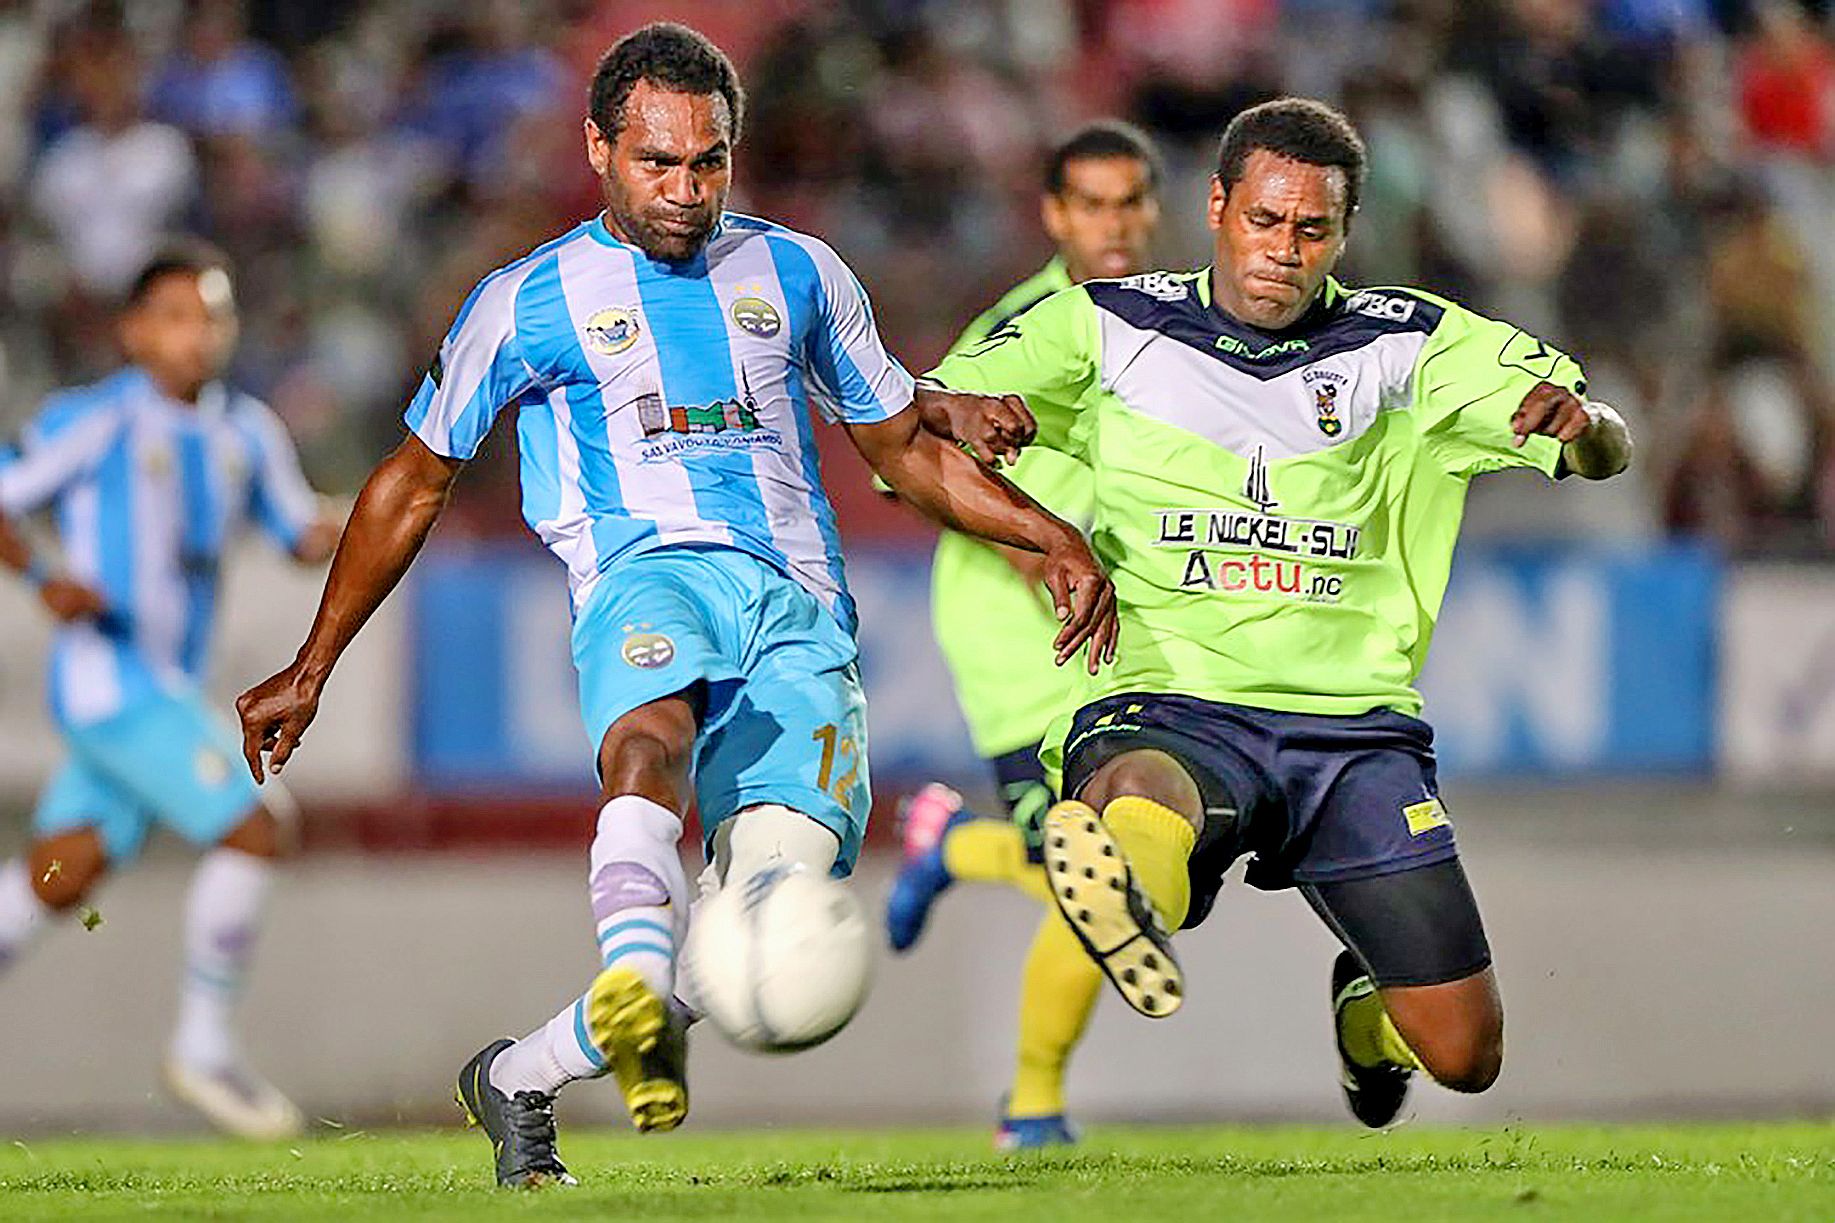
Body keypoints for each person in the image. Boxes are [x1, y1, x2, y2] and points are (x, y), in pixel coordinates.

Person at [233, 23, 1114, 1189]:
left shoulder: (800, 273)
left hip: (797, 611)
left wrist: (1046, 533)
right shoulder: (526, 300)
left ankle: (522, 1074)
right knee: (646, 744)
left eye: (707, 162)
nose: (684, 190)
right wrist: (314, 659)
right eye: (657, 162)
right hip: (642, 573)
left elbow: (904, 449)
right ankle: (635, 975)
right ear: (597, 147)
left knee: (774, 924)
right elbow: (413, 479)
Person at [917, 97, 1631, 1127]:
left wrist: (1588, 425)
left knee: (1465, 1054)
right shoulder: (1106, 320)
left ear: (1341, 233)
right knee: (1140, 796)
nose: (1280, 252)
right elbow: (914, 419)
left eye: (1309, 230)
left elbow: (1595, 444)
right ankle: (1114, 884)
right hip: (1171, 695)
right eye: (1262, 220)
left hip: (1351, 732)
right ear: (1216, 206)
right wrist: (1020, 506)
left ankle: (1360, 1012)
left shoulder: (1412, 342)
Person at [0, 242, 339, 1138]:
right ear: (135, 331)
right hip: (114, 684)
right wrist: (42, 576)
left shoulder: (245, 433)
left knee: (58, 876)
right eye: (179, 317)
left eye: (215, 317)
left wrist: (367, 520)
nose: (200, 337)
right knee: (259, 824)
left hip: (165, 684)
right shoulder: (98, 418)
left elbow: (297, 531)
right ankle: (203, 1046)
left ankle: (201, 1043)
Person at [882, 119, 1161, 1150]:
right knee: (1101, 874)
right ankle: (1031, 1103)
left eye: (1128, 200)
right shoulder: (1015, 329)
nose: (1113, 222)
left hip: (1117, 635)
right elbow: (903, 459)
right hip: (1017, 639)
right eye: (1089, 203)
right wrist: (1032, 558)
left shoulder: (1163, 322)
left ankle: (953, 844)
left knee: (1137, 868)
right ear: (1052, 215)